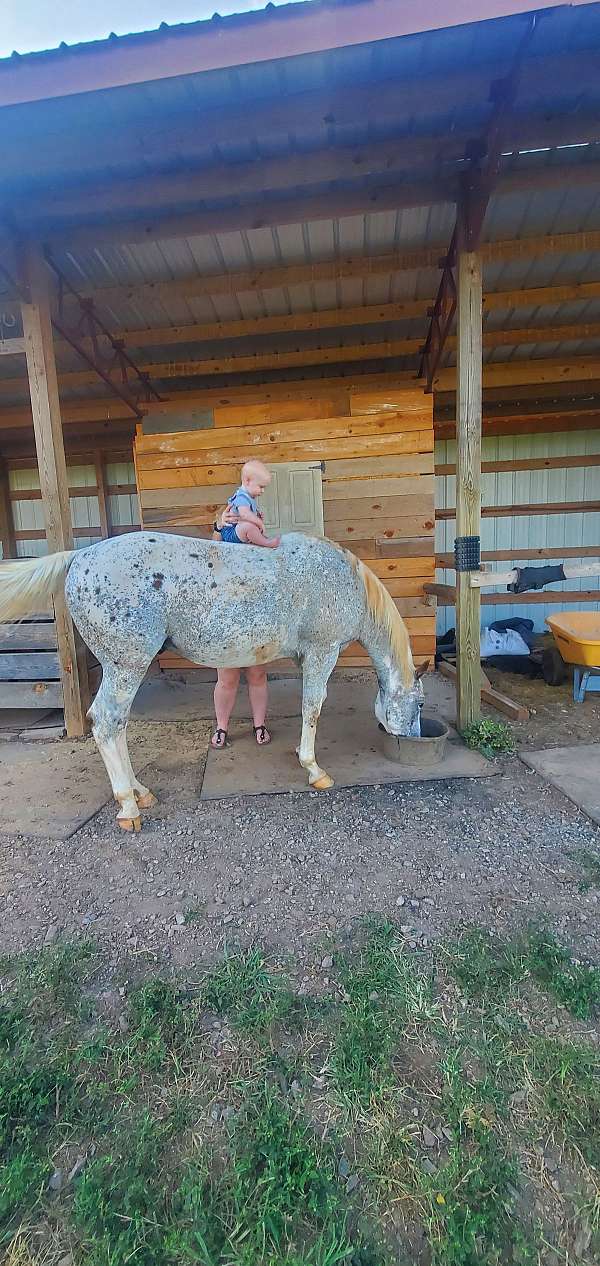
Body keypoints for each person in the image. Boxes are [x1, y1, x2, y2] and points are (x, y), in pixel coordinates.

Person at [209, 461, 276, 749]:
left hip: (255, 607)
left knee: (258, 673)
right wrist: (217, 525)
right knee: (227, 676)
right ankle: (222, 727)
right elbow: (212, 553)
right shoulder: (231, 517)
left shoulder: (253, 530)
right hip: (227, 608)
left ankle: (259, 724)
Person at [218, 459, 280, 548]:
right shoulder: (241, 497)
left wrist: (256, 516)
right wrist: (259, 522)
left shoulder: (248, 497)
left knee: (251, 526)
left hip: (238, 530)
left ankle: (260, 540)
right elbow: (245, 515)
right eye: (261, 487)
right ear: (247, 481)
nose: (263, 491)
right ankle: (266, 543)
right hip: (230, 532)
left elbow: (247, 516)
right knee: (249, 526)